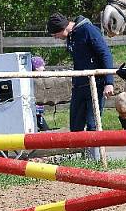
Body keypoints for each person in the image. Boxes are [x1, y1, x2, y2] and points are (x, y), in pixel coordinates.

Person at [47, 13, 114, 160]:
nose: (55, 37)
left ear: (62, 28)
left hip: (95, 84)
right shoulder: (71, 37)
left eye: (55, 34)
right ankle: (84, 157)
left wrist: (109, 81)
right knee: (75, 126)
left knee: (92, 124)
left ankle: (95, 159)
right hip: (79, 85)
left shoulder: (88, 30)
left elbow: (105, 53)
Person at [30, 55, 51, 132]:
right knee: (38, 120)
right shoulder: (32, 79)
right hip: (34, 107)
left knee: (38, 119)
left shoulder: (39, 79)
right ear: (36, 67)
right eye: (42, 66)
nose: (44, 68)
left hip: (38, 108)